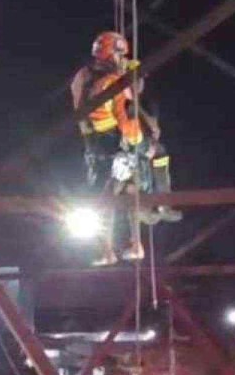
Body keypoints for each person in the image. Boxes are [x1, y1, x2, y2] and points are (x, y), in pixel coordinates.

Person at [70, 31, 181, 265]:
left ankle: (109, 250)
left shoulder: (83, 76)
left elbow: (81, 112)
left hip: (94, 145)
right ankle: (163, 204)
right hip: (116, 140)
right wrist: (140, 145)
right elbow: (127, 115)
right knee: (153, 159)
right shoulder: (113, 82)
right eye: (121, 54)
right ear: (114, 53)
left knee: (107, 196)